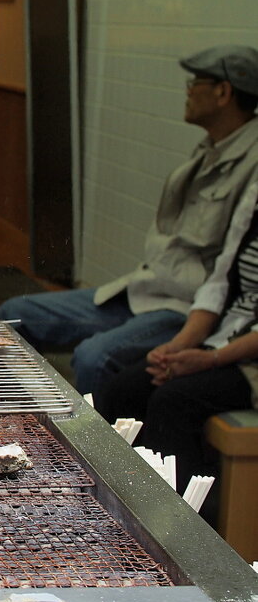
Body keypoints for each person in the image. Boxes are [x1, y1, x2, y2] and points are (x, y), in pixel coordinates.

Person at [0, 45, 258, 396]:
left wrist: (188, 340)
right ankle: (24, 417)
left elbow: (224, 276)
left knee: (95, 357)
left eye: (195, 82)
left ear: (223, 92)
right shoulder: (213, 148)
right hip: (147, 288)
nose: (187, 91)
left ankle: (94, 448)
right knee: (15, 313)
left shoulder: (251, 163)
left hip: (186, 307)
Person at [94, 177, 258, 504]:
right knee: (125, 385)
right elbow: (219, 284)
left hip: (250, 364)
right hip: (226, 338)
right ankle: (112, 506)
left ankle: (182, 527)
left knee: (174, 401)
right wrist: (180, 346)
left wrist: (210, 359)